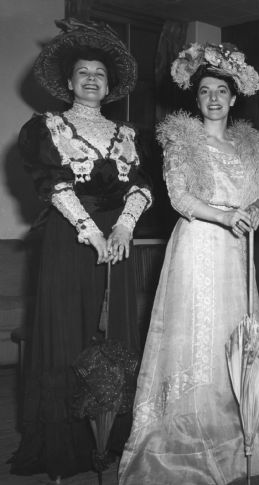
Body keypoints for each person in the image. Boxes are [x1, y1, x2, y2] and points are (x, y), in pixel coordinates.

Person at [118, 42, 259, 484]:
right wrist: (227, 215)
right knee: (196, 335)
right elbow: (178, 196)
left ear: (234, 99)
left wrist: (255, 212)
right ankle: (187, 435)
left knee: (234, 334)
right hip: (198, 245)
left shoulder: (249, 143)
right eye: (205, 90)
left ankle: (238, 431)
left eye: (221, 91)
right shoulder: (181, 139)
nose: (213, 98)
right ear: (196, 99)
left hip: (237, 252)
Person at [10, 18, 152, 481]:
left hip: (118, 240)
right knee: (71, 329)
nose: (92, 79)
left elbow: (141, 186)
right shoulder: (45, 127)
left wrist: (125, 228)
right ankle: (68, 445)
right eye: (84, 73)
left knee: (114, 335)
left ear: (109, 86)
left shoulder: (126, 134)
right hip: (71, 239)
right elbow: (52, 182)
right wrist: (91, 231)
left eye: (100, 74)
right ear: (70, 82)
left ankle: (109, 438)